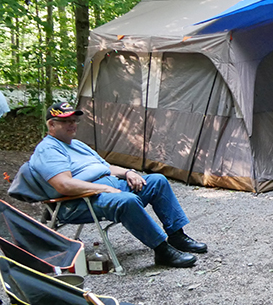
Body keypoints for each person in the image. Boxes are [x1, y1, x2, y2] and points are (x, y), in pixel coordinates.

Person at [28, 102, 207, 268]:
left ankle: (177, 236)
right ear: (51, 125)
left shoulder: (77, 144)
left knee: (157, 181)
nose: (73, 125)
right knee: (126, 200)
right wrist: (104, 188)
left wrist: (128, 172)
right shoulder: (49, 149)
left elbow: (105, 167)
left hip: (109, 190)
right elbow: (64, 185)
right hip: (80, 202)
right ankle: (162, 251)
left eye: (74, 120)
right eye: (66, 121)